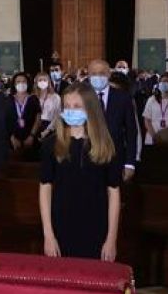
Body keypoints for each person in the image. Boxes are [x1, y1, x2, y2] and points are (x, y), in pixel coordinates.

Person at [39, 83, 123, 260]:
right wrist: (48, 235)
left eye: (77, 106)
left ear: (90, 109)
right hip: (61, 223)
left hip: (96, 224)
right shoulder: (51, 144)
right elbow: (45, 188)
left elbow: (113, 192)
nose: (71, 111)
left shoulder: (106, 145)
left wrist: (111, 238)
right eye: (67, 106)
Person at [87, 60, 140, 182]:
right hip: (88, 158)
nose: (98, 77)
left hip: (115, 159)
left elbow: (131, 132)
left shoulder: (123, 97)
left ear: (109, 74)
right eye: (94, 73)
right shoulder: (82, 97)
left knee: (114, 195)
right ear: (89, 76)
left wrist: (130, 163)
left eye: (101, 73)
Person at [8, 72, 41, 155]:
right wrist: (12, 138)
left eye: (23, 82)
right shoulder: (8, 99)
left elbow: (38, 119)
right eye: (18, 82)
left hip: (31, 136)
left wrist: (31, 136)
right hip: (13, 138)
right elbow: (5, 120)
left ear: (28, 83)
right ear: (14, 84)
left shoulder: (33, 98)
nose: (21, 84)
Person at [32, 72, 61, 143]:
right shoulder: (32, 97)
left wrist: (48, 130)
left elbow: (58, 115)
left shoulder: (55, 97)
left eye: (44, 80)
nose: (42, 82)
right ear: (36, 83)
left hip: (50, 127)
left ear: (48, 82)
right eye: (40, 80)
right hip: (34, 127)